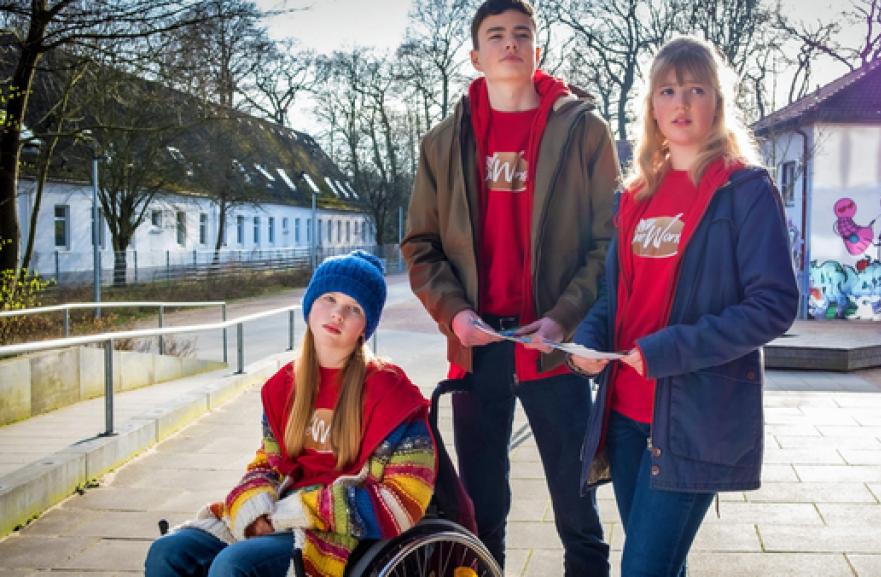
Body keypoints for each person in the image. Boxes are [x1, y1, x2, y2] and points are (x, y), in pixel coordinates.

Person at [400, 0, 618, 574]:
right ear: (476, 56)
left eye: (523, 33)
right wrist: (454, 315)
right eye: (496, 35)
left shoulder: (584, 132)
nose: (510, 43)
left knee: (579, 516)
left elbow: (608, 243)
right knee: (481, 515)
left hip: (552, 349)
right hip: (478, 353)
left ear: (537, 50)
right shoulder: (443, 143)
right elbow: (419, 245)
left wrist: (564, 319)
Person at [569, 36, 800, 577]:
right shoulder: (633, 195)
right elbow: (613, 296)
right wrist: (589, 339)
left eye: (696, 89)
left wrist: (665, 350)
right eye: (668, 90)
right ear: (652, 105)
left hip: (696, 420)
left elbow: (773, 305)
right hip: (623, 414)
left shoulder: (745, 190)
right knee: (661, 567)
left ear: (717, 103)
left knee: (643, 569)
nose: (681, 103)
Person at [145, 250, 436, 577]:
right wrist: (254, 509)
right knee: (167, 553)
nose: (337, 314)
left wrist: (296, 512)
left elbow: (405, 499)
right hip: (278, 514)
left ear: (365, 326)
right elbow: (267, 463)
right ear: (310, 305)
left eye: (353, 308)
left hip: (336, 534)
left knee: (233, 565)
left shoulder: (391, 393)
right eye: (329, 298)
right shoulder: (283, 386)